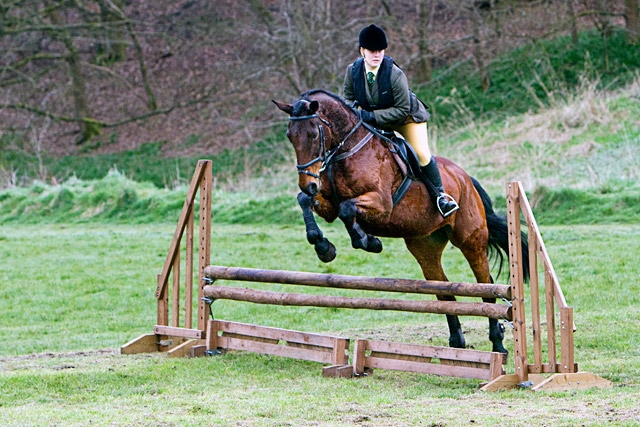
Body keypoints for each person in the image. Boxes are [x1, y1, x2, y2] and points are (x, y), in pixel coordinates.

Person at [343, 24, 458, 218]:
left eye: (380, 50)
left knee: (421, 153)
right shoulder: (352, 71)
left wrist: (370, 116)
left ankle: (441, 197)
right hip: (376, 119)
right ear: (362, 51)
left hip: (407, 118)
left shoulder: (394, 74)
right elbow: (347, 98)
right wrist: (354, 114)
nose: (376, 54)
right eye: (372, 50)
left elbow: (402, 109)